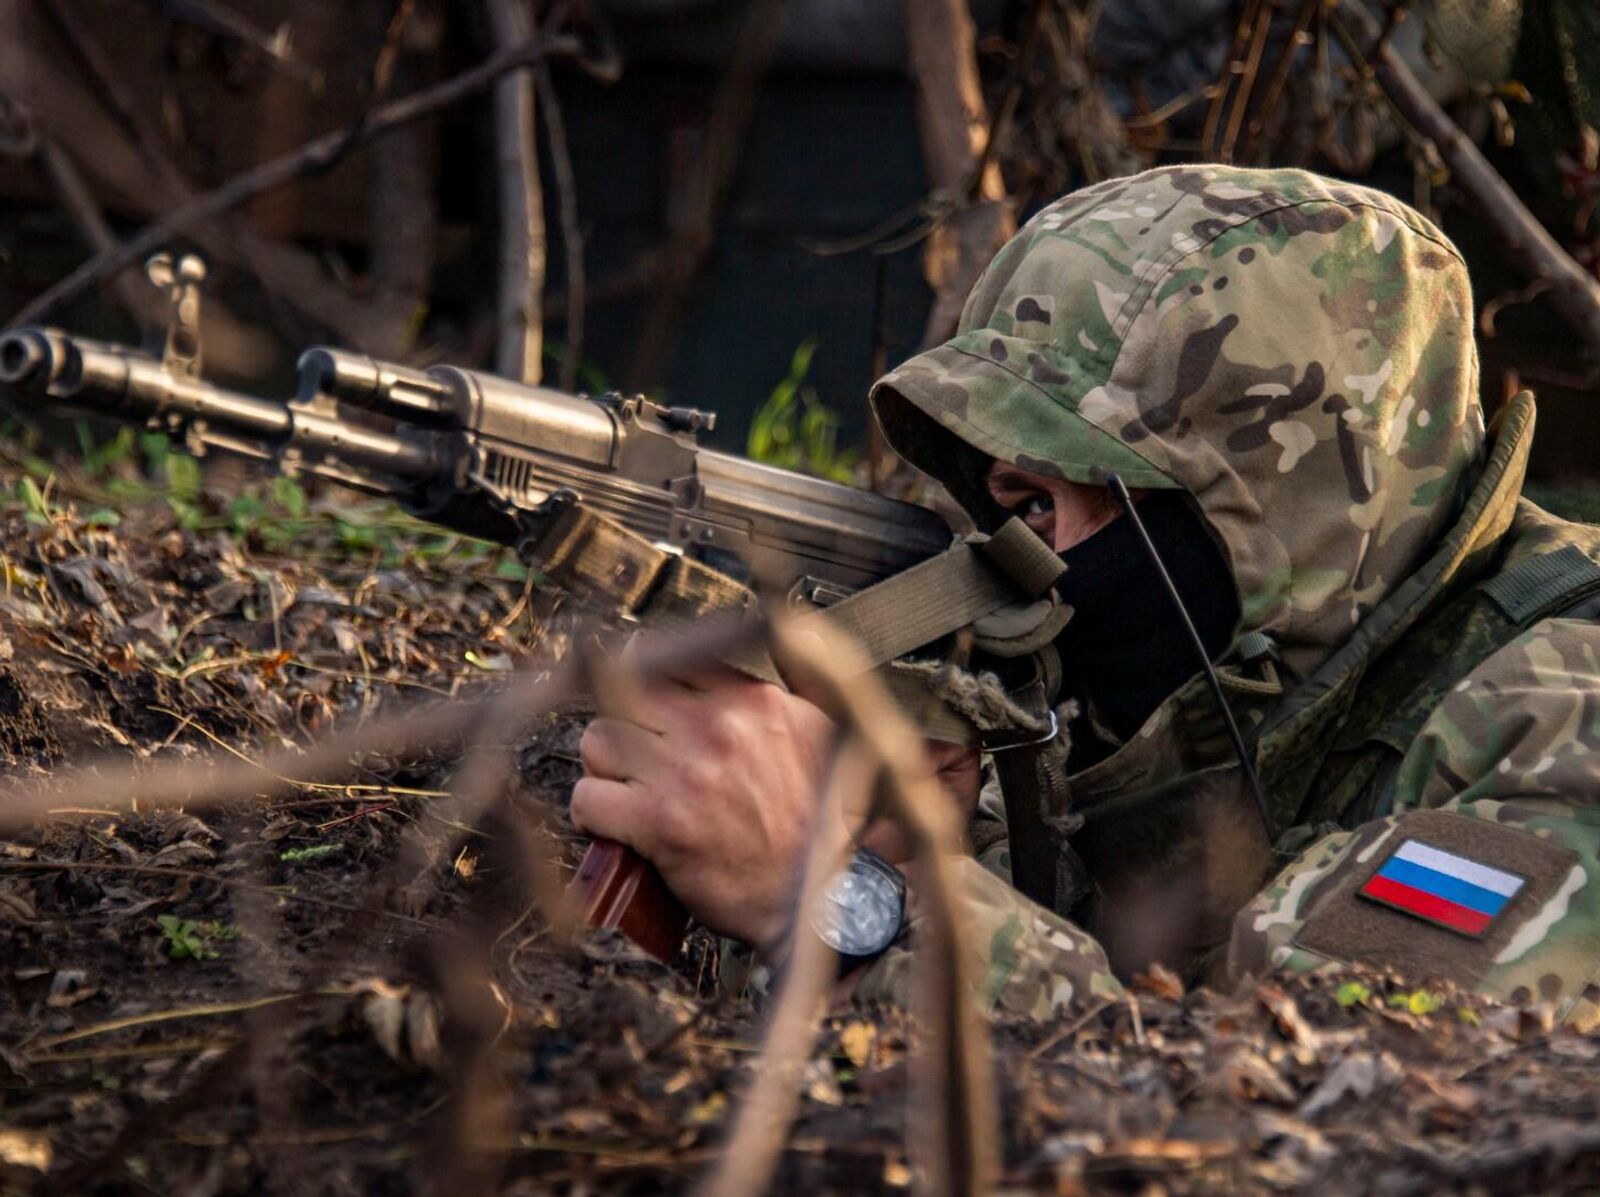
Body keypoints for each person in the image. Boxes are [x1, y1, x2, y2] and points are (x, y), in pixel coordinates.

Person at [572, 165, 1600, 1026]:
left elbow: (1328, 1097)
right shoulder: (1234, 684)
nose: (1024, 548)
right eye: (1008, 494)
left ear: (1292, 509)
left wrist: (841, 896)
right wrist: (965, 843)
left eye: (1080, 487)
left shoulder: (1564, 713)